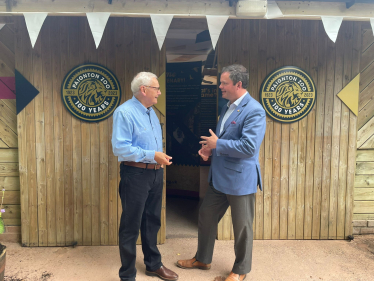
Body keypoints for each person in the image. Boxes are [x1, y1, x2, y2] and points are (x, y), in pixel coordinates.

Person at [177, 64, 266, 281]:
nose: (220, 87)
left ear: (239, 84)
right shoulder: (227, 106)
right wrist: (209, 149)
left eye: (224, 83)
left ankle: (240, 271)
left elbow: (249, 147)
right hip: (219, 179)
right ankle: (203, 259)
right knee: (206, 216)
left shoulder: (254, 110)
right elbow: (223, 140)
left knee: (242, 227)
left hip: (239, 180)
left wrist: (218, 144)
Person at [112, 72, 178, 281]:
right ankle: (127, 275)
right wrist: (153, 155)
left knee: (152, 221)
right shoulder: (124, 112)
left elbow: (150, 145)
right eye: (156, 88)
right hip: (135, 175)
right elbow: (120, 148)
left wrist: (159, 158)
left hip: (155, 175)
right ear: (143, 90)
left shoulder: (151, 112)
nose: (159, 92)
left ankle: (153, 265)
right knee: (131, 225)